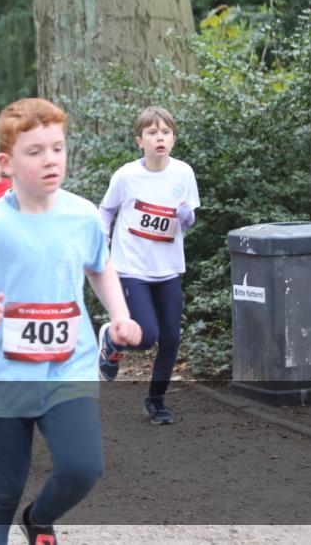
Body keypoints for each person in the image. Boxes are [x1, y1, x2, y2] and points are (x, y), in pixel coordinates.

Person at [0, 97, 142, 545]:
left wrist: (120, 316)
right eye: (35, 152)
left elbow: (99, 265)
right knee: (0, 491)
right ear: (7, 163)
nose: (51, 160)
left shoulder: (82, 214)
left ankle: (38, 518)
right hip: (2, 375)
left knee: (83, 468)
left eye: (57, 148)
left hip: (68, 367)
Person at [97, 106, 200, 425]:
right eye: (152, 132)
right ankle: (112, 339)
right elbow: (106, 210)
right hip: (131, 268)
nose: (160, 138)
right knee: (145, 337)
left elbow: (189, 219)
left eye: (165, 132)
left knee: (170, 338)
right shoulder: (126, 176)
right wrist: (102, 241)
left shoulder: (183, 173)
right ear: (139, 140)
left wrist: (186, 217)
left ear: (174, 139)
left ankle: (155, 400)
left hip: (168, 269)